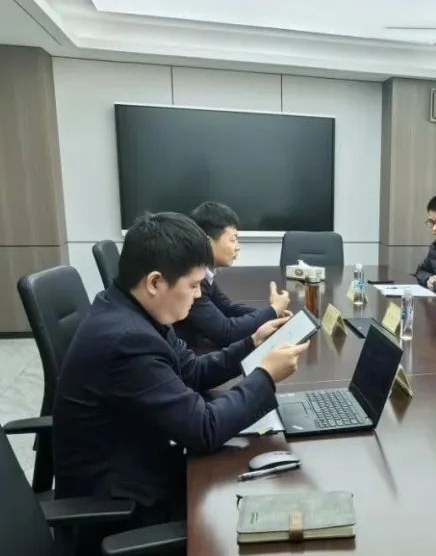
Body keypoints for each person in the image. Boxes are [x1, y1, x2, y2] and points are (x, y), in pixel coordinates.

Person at [54, 212, 309, 520]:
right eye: (193, 285)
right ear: (155, 282)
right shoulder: (128, 340)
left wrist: (252, 343)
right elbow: (204, 429)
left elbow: (192, 371)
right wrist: (265, 375)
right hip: (122, 503)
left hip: (143, 458)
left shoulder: (135, 309)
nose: (199, 294)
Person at [175, 201, 291, 350]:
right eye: (233, 239)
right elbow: (226, 333)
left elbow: (227, 308)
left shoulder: (204, 273)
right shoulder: (190, 280)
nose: (237, 247)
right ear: (207, 242)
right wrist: (273, 310)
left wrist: (271, 313)